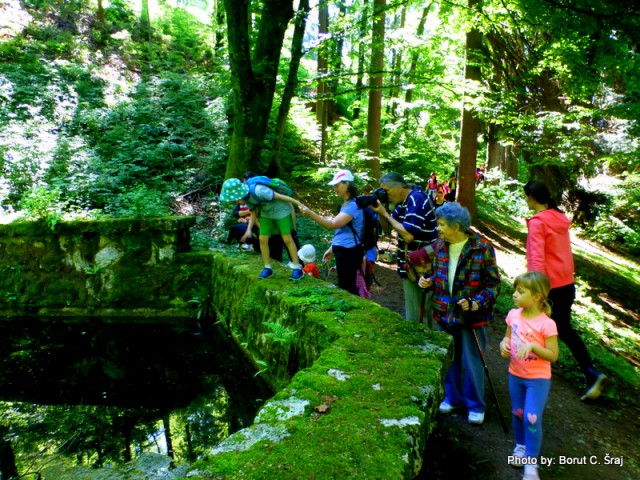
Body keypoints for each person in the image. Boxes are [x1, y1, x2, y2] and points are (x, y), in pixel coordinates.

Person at [418, 202, 501, 425]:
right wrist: (428, 281)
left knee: (473, 362)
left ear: (456, 227)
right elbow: (437, 276)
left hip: (471, 317)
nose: (438, 228)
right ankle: (452, 398)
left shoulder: (481, 248)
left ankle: (475, 405)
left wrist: (476, 303)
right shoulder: (439, 246)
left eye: (442, 224)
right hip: (443, 313)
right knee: (449, 358)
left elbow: (493, 284)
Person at [523, 179, 607, 400]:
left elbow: (536, 258)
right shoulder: (558, 218)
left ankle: (532, 373)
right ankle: (590, 372)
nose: (526, 200)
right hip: (566, 284)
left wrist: (535, 288)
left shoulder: (538, 222)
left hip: (548, 286)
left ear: (532, 198)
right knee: (563, 328)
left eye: (526, 196)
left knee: (535, 325)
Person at [500, 271, 559, 480]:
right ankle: (520, 446)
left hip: (538, 379)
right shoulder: (513, 315)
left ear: (537, 296)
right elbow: (507, 338)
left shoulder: (546, 324)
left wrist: (533, 346)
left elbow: (553, 355)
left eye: (520, 291)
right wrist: (504, 344)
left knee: (531, 417)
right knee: (517, 412)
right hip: (515, 374)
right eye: (515, 290)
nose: (514, 294)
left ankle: (531, 463)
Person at [370, 172, 437, 323]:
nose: (385, 194)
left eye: (386, 190)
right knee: (417, 310)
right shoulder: (404, 202)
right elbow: (387, 228)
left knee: (418, 314)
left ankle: (420, 337)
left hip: (422, 266)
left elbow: (408, 235)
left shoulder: (416, 199)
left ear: (399, 187)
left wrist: (385, 214)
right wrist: (380, 212)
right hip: (413, 266)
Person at [219, 177, 304, 280]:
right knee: (262, 239)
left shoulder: (259, 190)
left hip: (281, 211)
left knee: (287, 238)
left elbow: (280, 197)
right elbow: (254, 212)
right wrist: (249, 230)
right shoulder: (245, 197)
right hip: (266, 214)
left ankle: (297, 268)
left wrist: (299, 204)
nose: (234, 202)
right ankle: (267, 267)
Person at [299, 169, 364, 295]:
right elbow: (343, 230)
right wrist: (332, 247)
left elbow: (332, 225)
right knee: (344, 283)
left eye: (337, 185)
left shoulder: (352, 206)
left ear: (347, 184)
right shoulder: (346, 204)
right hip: (343, 248)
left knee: (347, 285)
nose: (335, 189)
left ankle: (353, 306)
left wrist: (310, 213)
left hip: (348, 250)